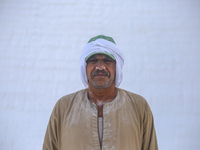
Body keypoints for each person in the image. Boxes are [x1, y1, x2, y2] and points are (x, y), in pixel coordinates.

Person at [43, 35, 158, 150]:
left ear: (117, 66)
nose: (100, 67)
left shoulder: (139, 107)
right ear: (85, 67)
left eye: (107, 61)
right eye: (93, 61)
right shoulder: (64, 107)